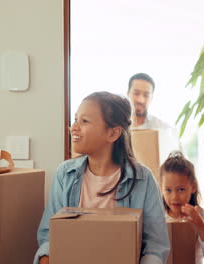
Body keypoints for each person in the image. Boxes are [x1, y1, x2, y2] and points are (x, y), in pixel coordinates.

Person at [34, 91, 170, 264]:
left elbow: (156, 247)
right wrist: (45, 258)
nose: (73, 127)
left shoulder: (143, 180)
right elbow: (48, 235)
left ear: (112, 134)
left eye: (84, 121)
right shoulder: (64, 174)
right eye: (75, 119)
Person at [160, 151, 204, 264]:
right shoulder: (158, 217)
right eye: (168, 190)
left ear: (193, 187)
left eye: (181, 189)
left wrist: (200, 226)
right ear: (161, 188)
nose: (174, 197)